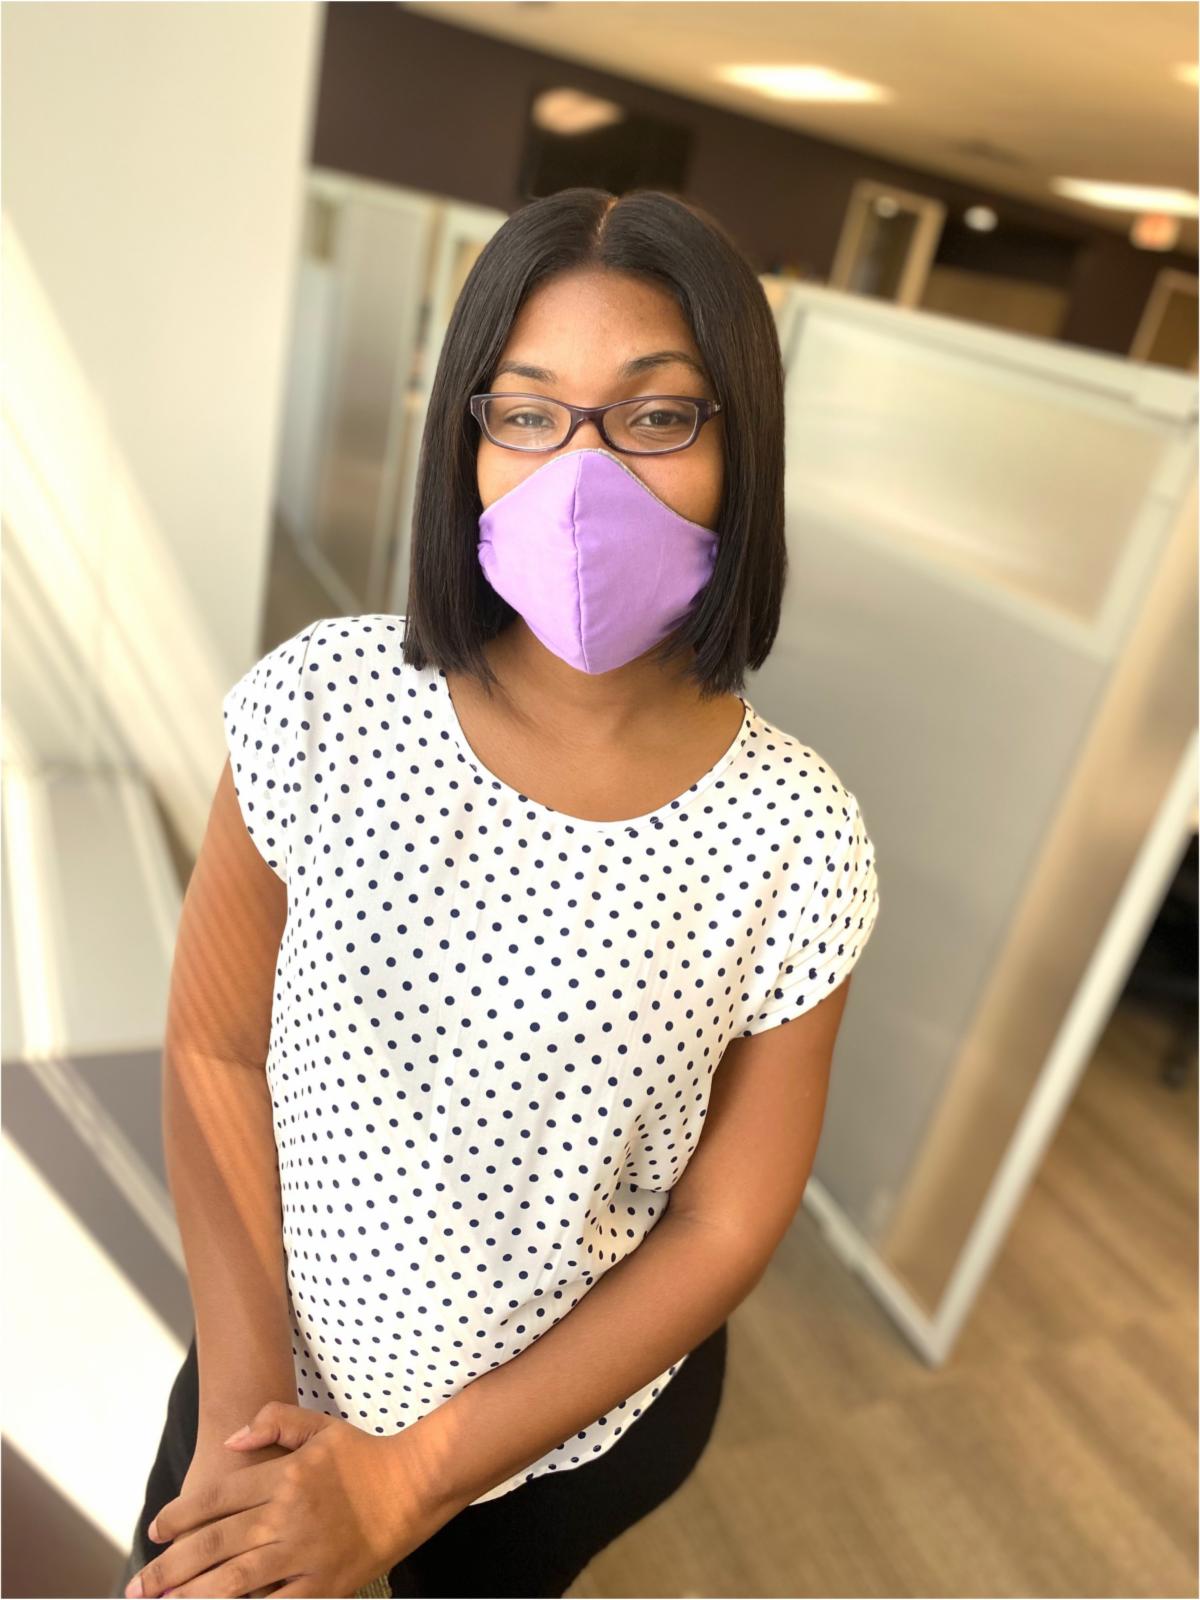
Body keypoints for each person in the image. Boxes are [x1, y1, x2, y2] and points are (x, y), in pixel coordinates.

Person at [115, 185, 879, 1600]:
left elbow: (724, 1222)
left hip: (557, 1442)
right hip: (269, 1377)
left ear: (743, 445)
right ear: (464, 440)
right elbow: (215, 1047)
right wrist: (241, 1417)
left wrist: (410, 1479)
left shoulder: (797, 835)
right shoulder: (322, 704)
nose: (581, 477)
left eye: (657, 415)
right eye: (526, 413)